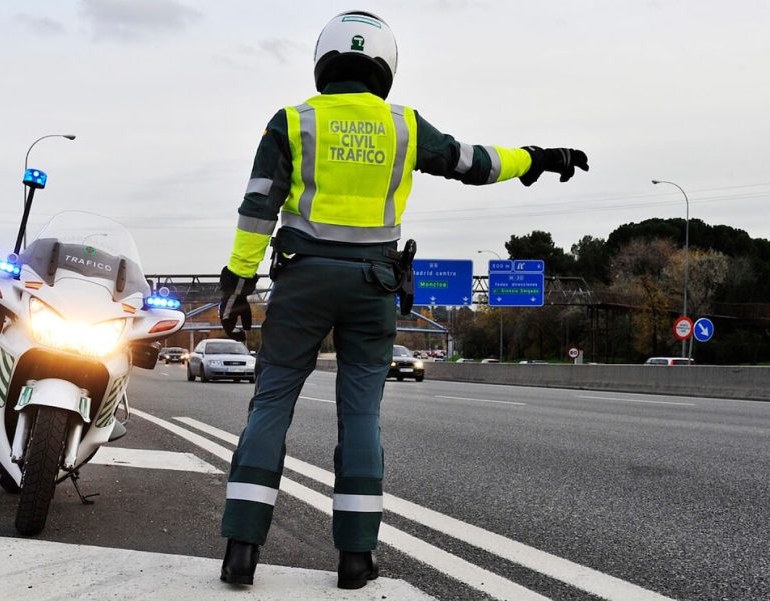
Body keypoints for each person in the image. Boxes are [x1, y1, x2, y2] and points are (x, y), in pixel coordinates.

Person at [217, 10, 589, 590]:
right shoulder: (404, 125)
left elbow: (258, 206)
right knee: (360, 417)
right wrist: (537, 158)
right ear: (385, 65)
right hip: (373, 288)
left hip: (302, 283)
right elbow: (474, 162)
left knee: (270, 406)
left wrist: (237, 286)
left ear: (324, 61)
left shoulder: (292, 121)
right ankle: (356, 559)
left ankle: (242, 549)